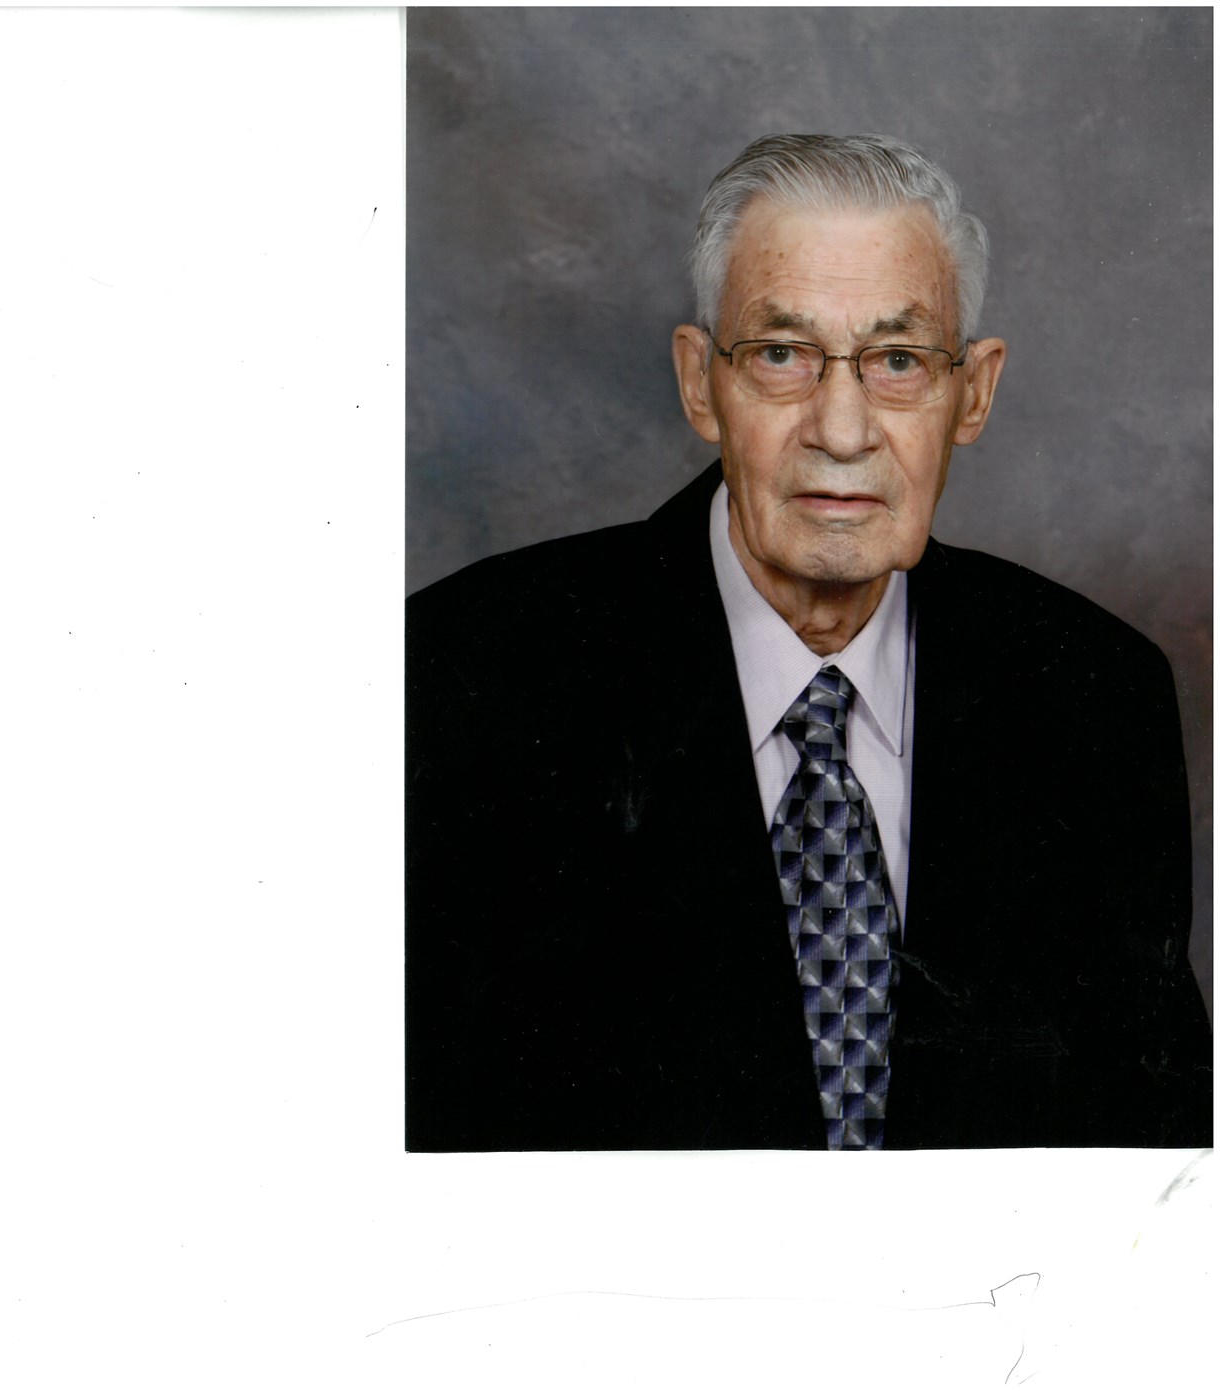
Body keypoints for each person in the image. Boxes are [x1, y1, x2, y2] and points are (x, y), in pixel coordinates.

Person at [406, 133, 1213, 1151]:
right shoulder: (464, 680)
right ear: (700, 382)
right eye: (781, 355)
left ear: (973, 392)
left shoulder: (1096, 697)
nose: (841, 429)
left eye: (899, 361)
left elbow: (1157, 1166)